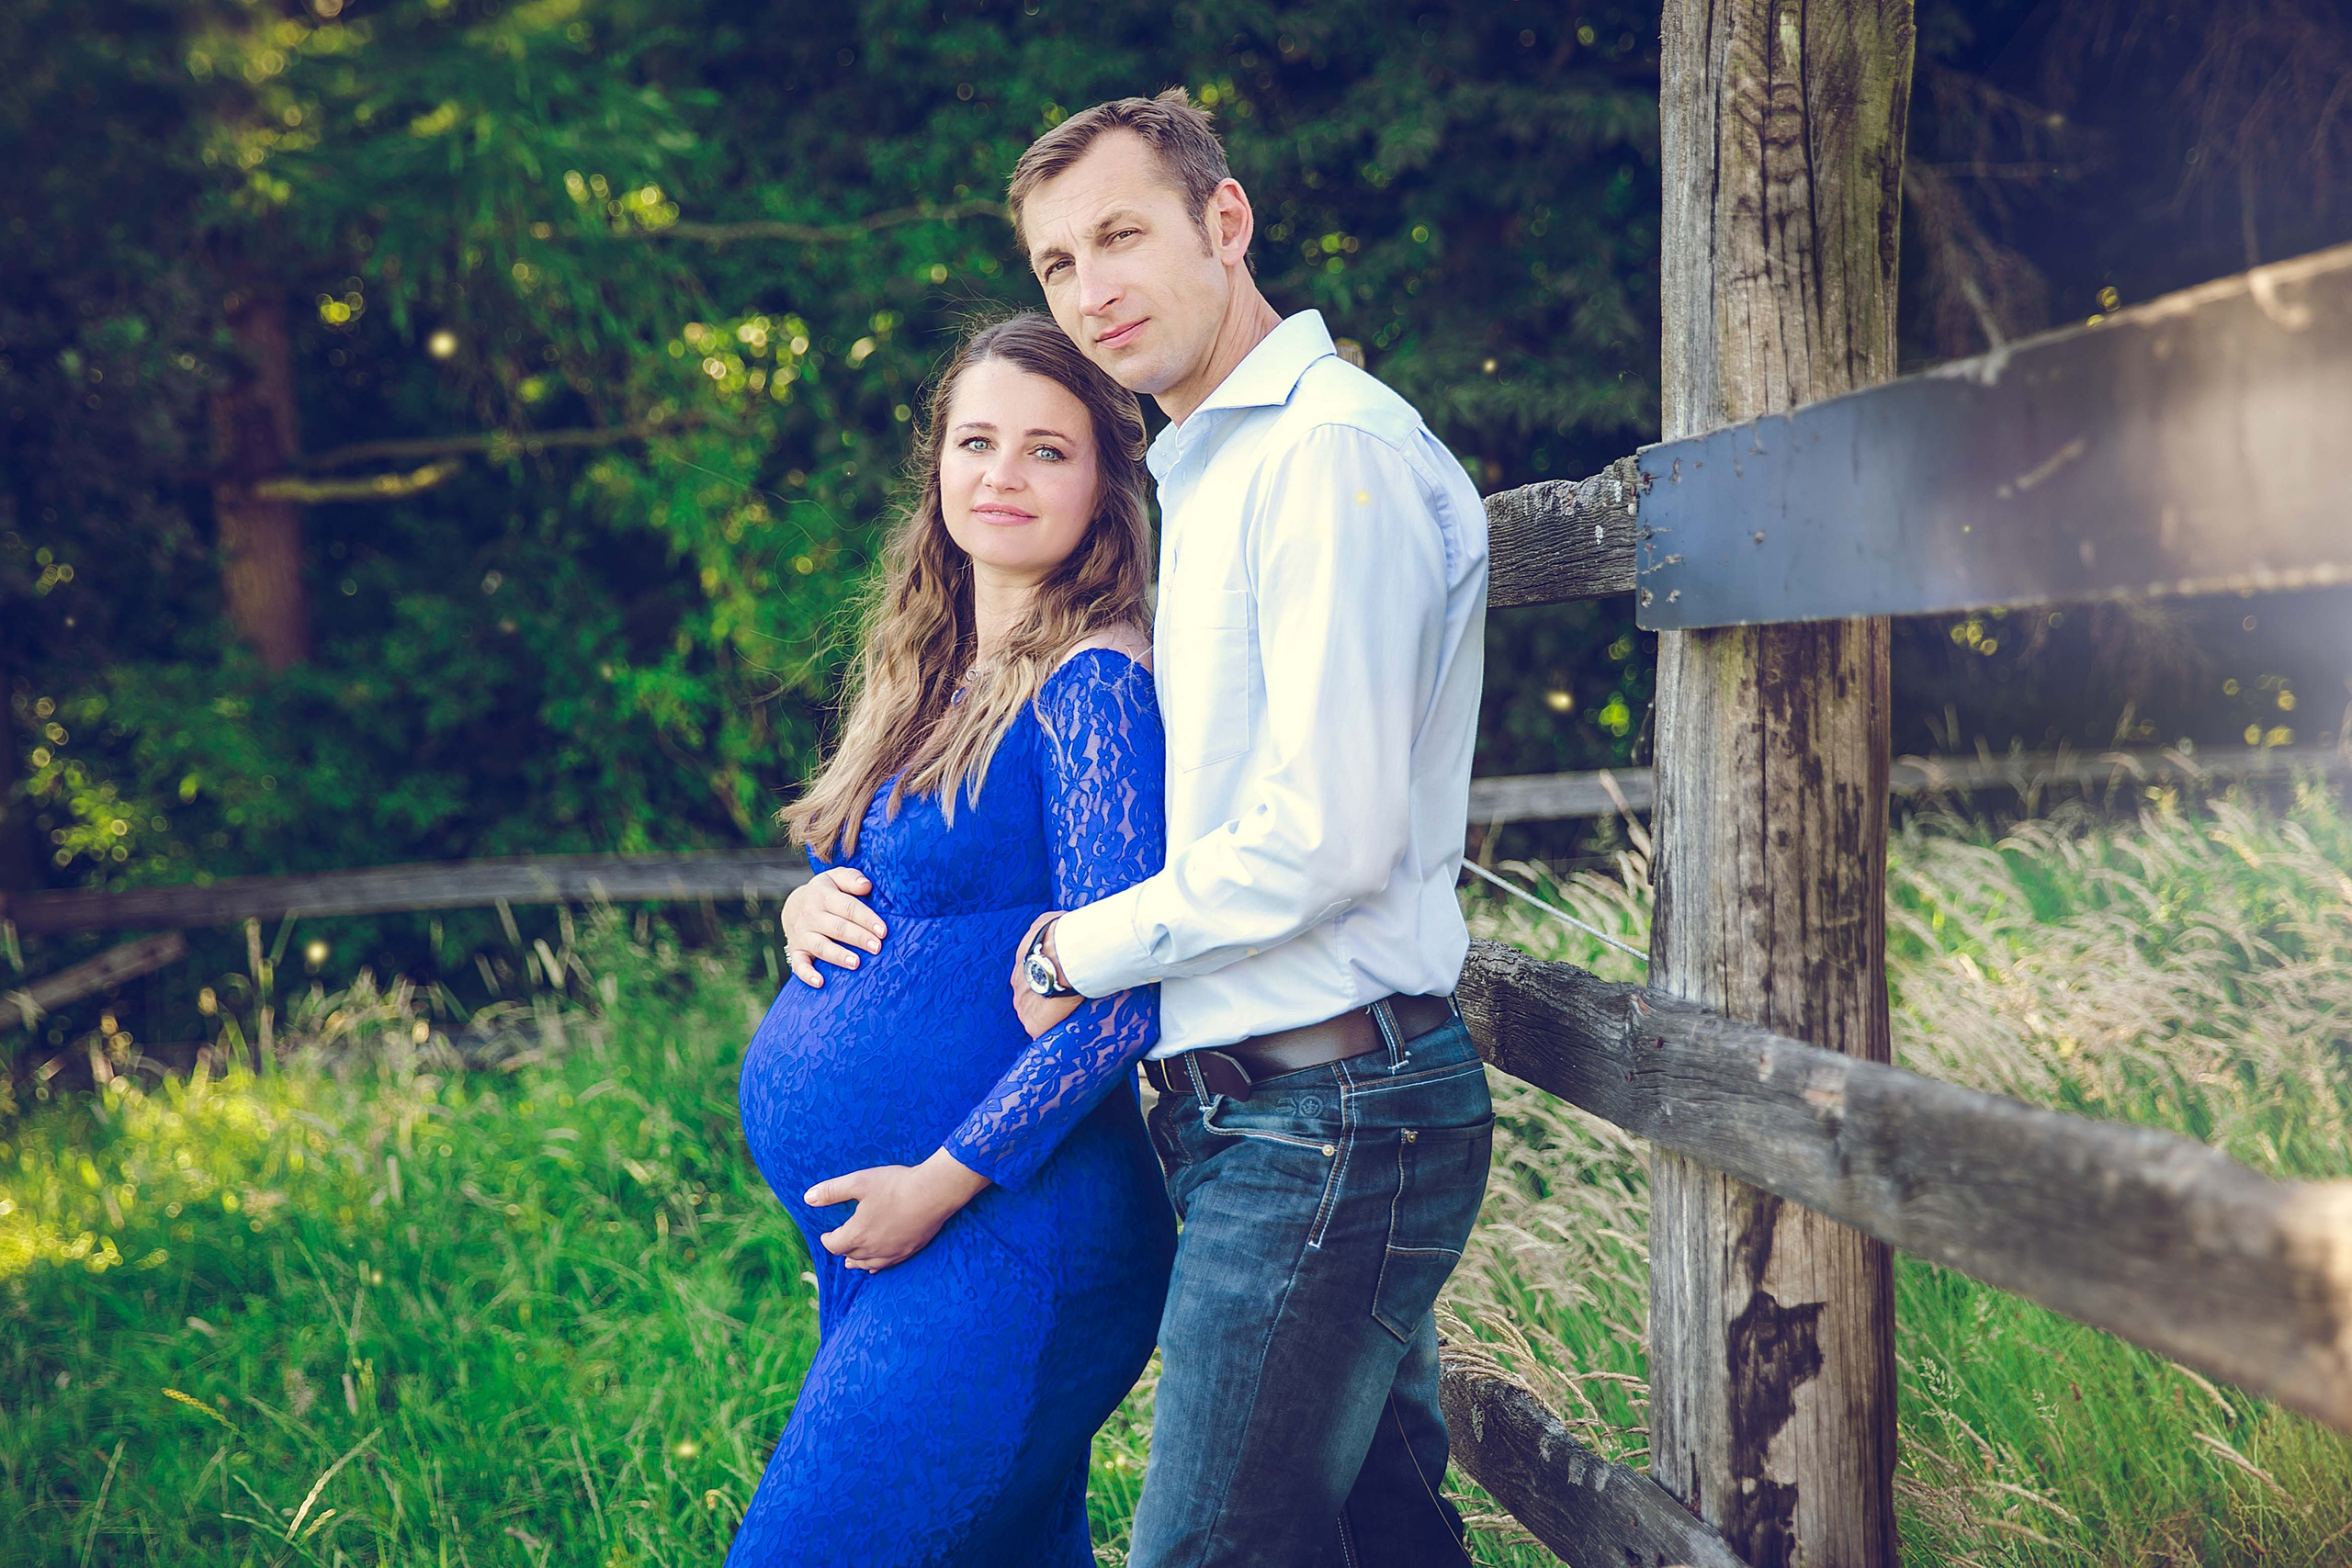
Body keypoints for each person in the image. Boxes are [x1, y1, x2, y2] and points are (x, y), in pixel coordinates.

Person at [786, 91, 1494, 1565]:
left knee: (1205, 1551)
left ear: (1225, 225)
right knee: (1380, 1544)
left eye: (1121, 235)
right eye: (1055, 261)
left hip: (1332, 1105)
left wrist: (1075, 944)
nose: (1090, 287)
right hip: (1250, 1109)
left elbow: (1330, 835)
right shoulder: (1217, 471)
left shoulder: (1327, 457)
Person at [729, 312, 1175, 1566]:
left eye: (1048, 450)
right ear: (938, 467)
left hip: (1010, 1237)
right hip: (903, 1249)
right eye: (977, 441)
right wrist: (803, 902)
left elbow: (1122, 1000)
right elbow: (887, 882)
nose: (1003, 475)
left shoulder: (1092, 685)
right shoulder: (931, 668)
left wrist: (938, 1184)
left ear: (1103, 485)